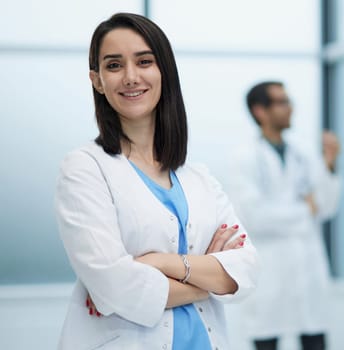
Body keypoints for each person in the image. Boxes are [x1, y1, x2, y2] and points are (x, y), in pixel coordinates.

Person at [54, 13, 258, 350]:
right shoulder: (85, 168)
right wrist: (211, 280)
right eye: (114, 65)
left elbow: (247, 269)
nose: (131, 77)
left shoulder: (199, 178)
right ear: (97, 80)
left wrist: (161, 264)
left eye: (144, 61)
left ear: (164, 70)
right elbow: (115, 287)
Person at [227, 81, 342, 350]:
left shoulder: (303, 152)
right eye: (281, 102)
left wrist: (331, 163)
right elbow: (254, 217)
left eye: (288, 101)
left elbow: (326, 206)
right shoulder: (244, 157)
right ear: (260, 111)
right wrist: (305, 211)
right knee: (267, 337)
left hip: (307, 266)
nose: (290, 108)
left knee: (314, 336)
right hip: (271, 269)